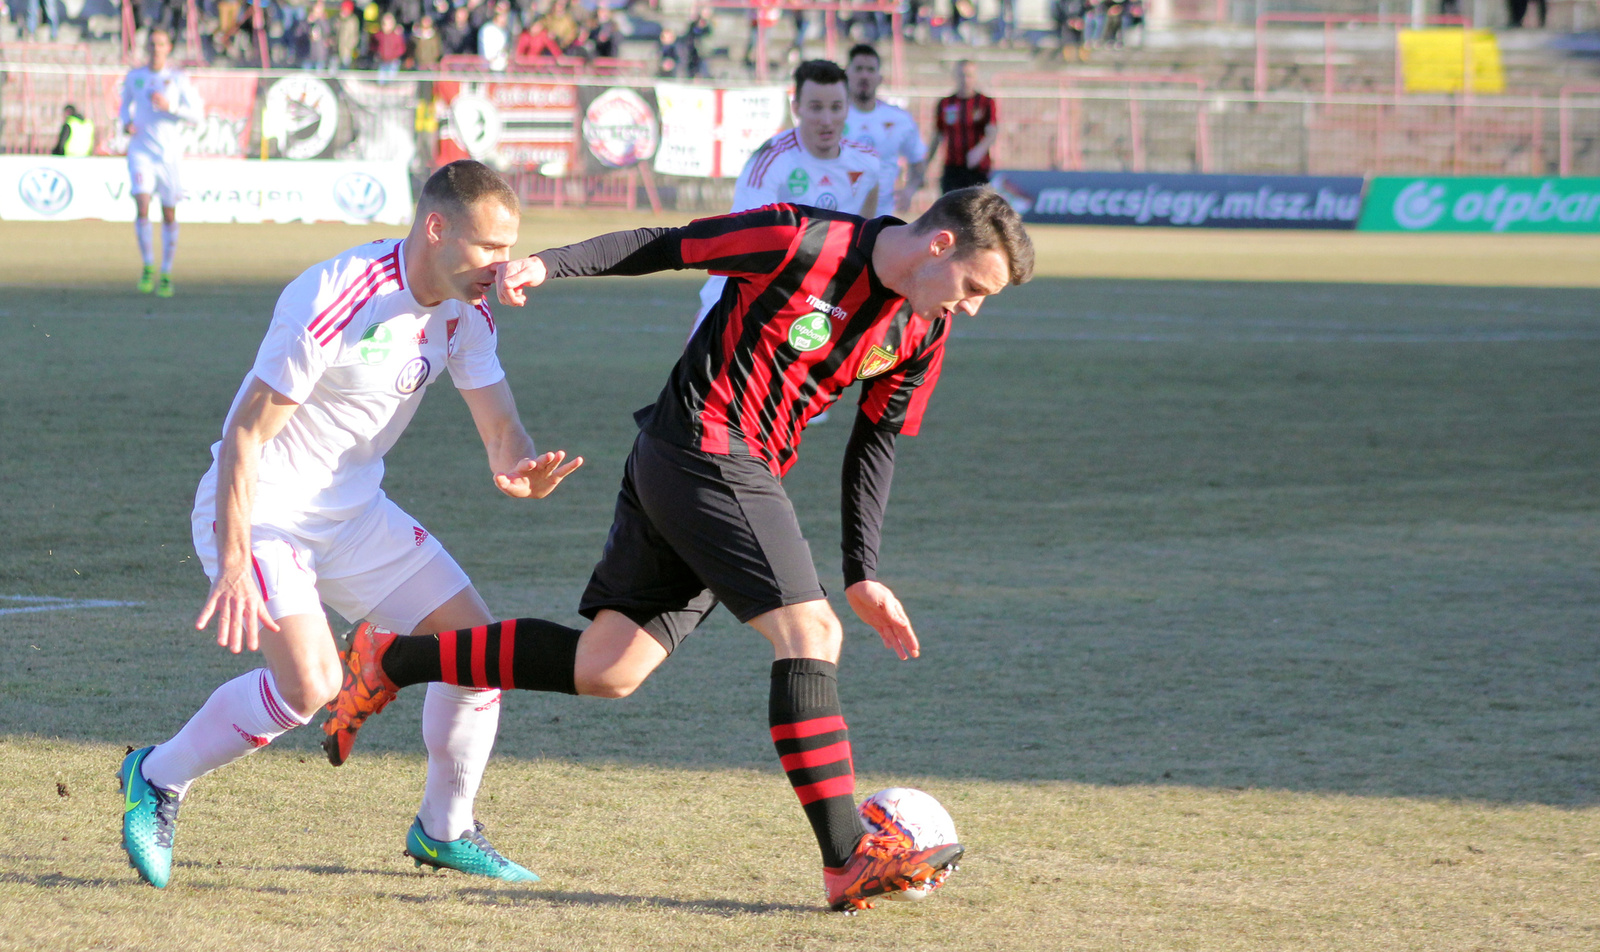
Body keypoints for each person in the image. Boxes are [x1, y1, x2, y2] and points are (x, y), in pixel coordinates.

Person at [322, 184, 1034, 912]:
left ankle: (390, 658)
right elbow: (669, 242)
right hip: (703, 446)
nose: (972, 306)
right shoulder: (802, 240)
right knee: (810, 633)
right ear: (939, 245)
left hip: (712, 469)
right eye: (975, 287)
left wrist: (864, 572)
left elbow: (875, 443)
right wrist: (549, 265)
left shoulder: (924, 331)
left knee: (610, 668)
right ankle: (847, 856)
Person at [115, 160, 584, 890]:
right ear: (437, 228)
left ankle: (444, 828)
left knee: (478, 654)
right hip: (263, 509)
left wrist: (521, 464)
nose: (504, 264)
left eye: (509, 247)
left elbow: (501, 426)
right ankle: (157, 775)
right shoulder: (340, 292)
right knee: (310, 685)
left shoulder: (470, 305)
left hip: (356, 514)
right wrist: (237, 559)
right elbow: (245, 434)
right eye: (491, 247)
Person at [691, 59, 883, 338]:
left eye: (836, 107)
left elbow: (867, 231)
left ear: (847, 107)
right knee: (699, 377)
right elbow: (746, 237)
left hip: (814, 297)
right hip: (745, 289)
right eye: (816, 107)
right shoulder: (772, 160)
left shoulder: (867, 163)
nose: (827, 120)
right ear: (797, 108)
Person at [119, 27, 203, 299]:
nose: (156, 49)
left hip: (169, 156)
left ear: (169, 48)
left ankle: (166, 272)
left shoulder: (177, 79)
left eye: (162, 44)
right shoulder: (135, 77)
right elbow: (123, 106)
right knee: (142, 204)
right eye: (153, 44)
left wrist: (171, 108)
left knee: (168, 213)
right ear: (148, 47)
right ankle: (147, 266)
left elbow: (197, 116)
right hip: (141, 151)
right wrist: (125, 124)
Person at [843, 43, 928, 218]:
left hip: (880, 218)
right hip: (838, 215)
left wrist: (909, 191)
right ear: (847, 74)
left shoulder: (898, 119)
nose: (864, 76)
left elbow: (918, 161)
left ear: (880, 77)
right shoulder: (832, 118)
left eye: (870, 70)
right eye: (858, 69)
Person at [927, 59, 997, 193]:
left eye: (969, 75)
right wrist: (926, 163)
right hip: (952, 168)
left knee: (977, 211)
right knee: (950, 210)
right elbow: (938, 135)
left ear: (975, 77)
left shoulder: (985, 102)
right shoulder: (945, 103)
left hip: (978, 169)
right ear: (955, 76)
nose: (965, 80)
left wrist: (979, 150)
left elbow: (992, 131)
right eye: (961, 75)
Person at [373, 11, 408, 76]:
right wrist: (378, 53)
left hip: (393, 62)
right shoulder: (379, 35)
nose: (386, 26)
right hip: (382, 61)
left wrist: (394, 56)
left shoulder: (396, 36)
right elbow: (373, 45)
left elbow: (401, 48)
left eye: (388, 24)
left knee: (392, 79)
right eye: (384, 24)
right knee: (381, 79)